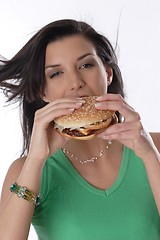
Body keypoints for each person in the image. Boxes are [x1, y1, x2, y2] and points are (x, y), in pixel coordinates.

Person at [0, 19, 160, 240]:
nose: (75, 82)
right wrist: (36, 159)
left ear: (108, 73)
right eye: (56, 73)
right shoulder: (27, 170)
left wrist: (150, 157)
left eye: (86, 65)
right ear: (43, 93)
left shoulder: (154, 148)